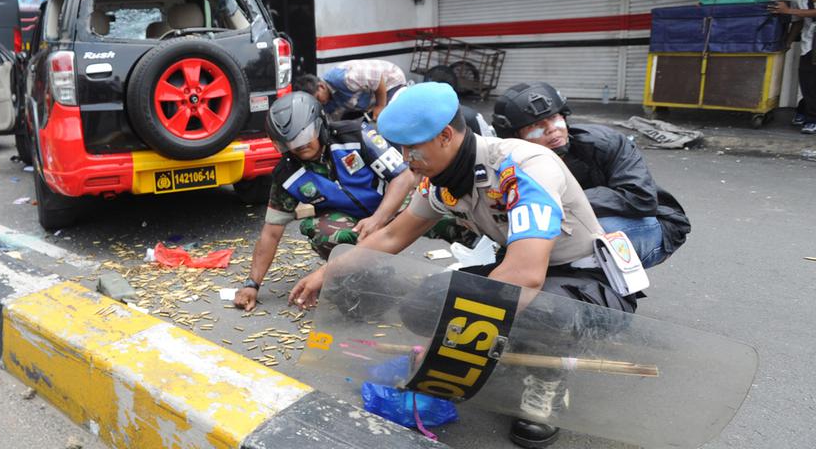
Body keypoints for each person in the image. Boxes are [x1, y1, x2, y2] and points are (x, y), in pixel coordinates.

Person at [289, 83, 636, 448]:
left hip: (586, 285)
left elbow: (524, 274)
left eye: (412, 148)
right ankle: (509, 352)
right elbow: (392, 237)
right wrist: (328, 272)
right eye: (401, 147)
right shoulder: (442, 181)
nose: (406, 158)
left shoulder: (522, 166)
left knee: (538, 313)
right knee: (425, 304)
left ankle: (547, 381)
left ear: (444, 136)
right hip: (533, 273)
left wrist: (453, 346)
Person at [234, 91, 415, 312]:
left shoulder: (357, 135)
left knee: (447, 211)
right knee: (322, 229)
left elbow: (404, 177)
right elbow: (271, 232)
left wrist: (378, 219)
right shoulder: (287, 174)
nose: (297, 147)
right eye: (287, 142)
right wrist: (252, 284)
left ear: (320, 125)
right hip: (356, 222)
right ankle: (363, 272)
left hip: (400, 207)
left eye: (302, 137)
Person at [491, 82, 690, 268]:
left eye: (554, 118)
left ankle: (595, 290)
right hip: (578, 224)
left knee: (572, 242)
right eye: (536, 125)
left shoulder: (607, 143)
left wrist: (562, 203)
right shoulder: (510, 162)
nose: (552, 130)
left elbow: (641, 198)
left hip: (655, 225)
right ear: (515, 137)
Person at [770, 0, 816, 134]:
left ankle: (811, 118)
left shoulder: (793, 7)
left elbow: (797, 14)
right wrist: (788, 42)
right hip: (809, 44)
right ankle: (804, 111)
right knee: (807, 82)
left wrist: (787, 10)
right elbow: (798, 23)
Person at [294, 59, 407, 120]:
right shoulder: (326, 100)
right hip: (368, 99)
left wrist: (380, 106)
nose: (319, 103)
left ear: (321, 86)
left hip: (390, 82)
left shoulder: (345, 78)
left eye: (318, 98)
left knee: (385, 119)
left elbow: (378, 78)